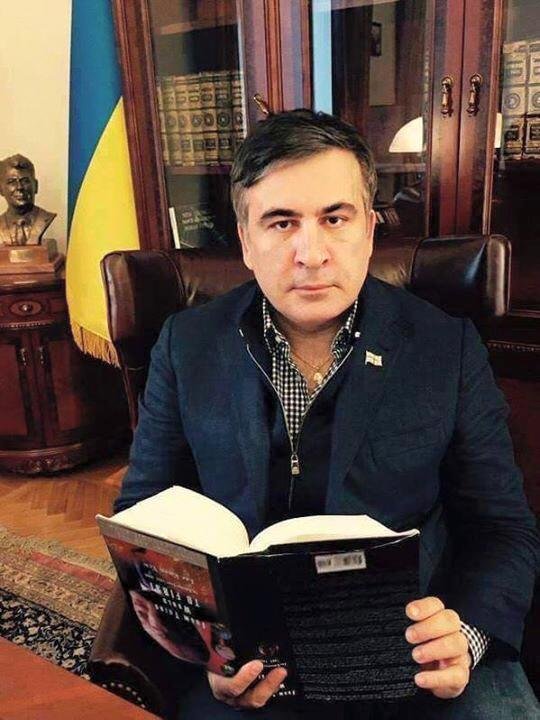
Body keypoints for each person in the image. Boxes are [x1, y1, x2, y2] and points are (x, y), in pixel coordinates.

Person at [115, 110, 539, 719]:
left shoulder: (447, 347)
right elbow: (143, 515)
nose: (310, 254)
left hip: (417, 642)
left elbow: (502, 525)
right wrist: (203, 648)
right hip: (251, 656)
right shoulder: (187, 345)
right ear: (245, 240)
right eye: (281, 222)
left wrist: (465, 638)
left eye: (335, 219)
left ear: (368, 230)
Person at [0, 154, 56, 246]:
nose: (19, 187)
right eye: (11, 182)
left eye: (25, 181)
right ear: (1, 189)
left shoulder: (44, 218)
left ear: (36, 186)